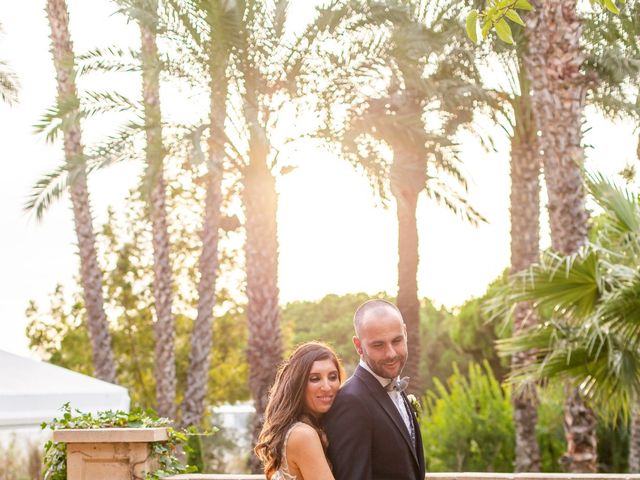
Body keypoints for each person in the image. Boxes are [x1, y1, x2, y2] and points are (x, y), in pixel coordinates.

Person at [323, 299, 426, 479]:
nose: (391, 353)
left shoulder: (397, 388)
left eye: (397, 340)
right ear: (358, 346)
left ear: (405, 332)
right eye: (378, 345)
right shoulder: (351, 402)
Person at [255, 341, 345, 480]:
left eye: (333, 377)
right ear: (298, 384)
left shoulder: (297, 429)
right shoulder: (303, 435)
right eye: (315, 379)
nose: (327, 387)